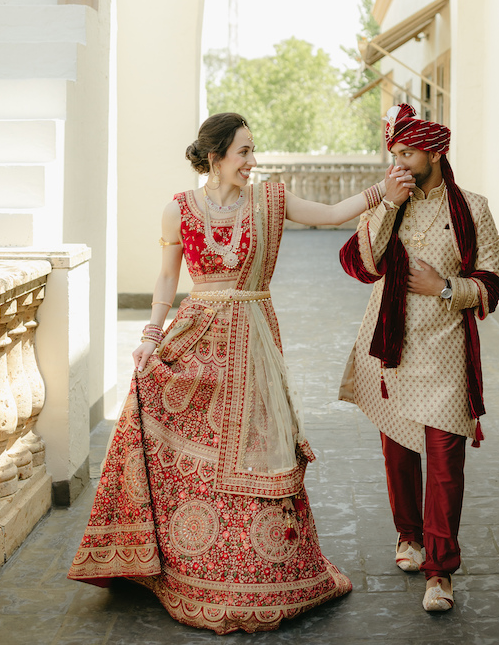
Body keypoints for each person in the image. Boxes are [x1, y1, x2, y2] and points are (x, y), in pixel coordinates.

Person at [69, 112, 394, 635]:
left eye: (253, 150)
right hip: (197, 338)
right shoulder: (178, 210)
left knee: (259, 448)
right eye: (243, 151)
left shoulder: (270, 200)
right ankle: (184, 563)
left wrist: (383, 191)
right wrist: (151, 336)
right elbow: (167, 277)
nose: (253, 160)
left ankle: (264, 568)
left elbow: (333, 213)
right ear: (216, 155)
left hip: (254, 343)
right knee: (177, 437)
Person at [339, 103, 499, 613]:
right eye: (394, 154)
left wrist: (444, 287)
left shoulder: (472, 208)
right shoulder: (393, 199)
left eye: (407, 153)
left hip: (447, 351)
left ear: (435, 151)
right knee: (398, 450)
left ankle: (441, 571)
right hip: (392, 345)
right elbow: (362, 264)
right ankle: (407, 536)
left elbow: (493, 281)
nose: (400, 163)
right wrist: (387, 206)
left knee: (445, 462)